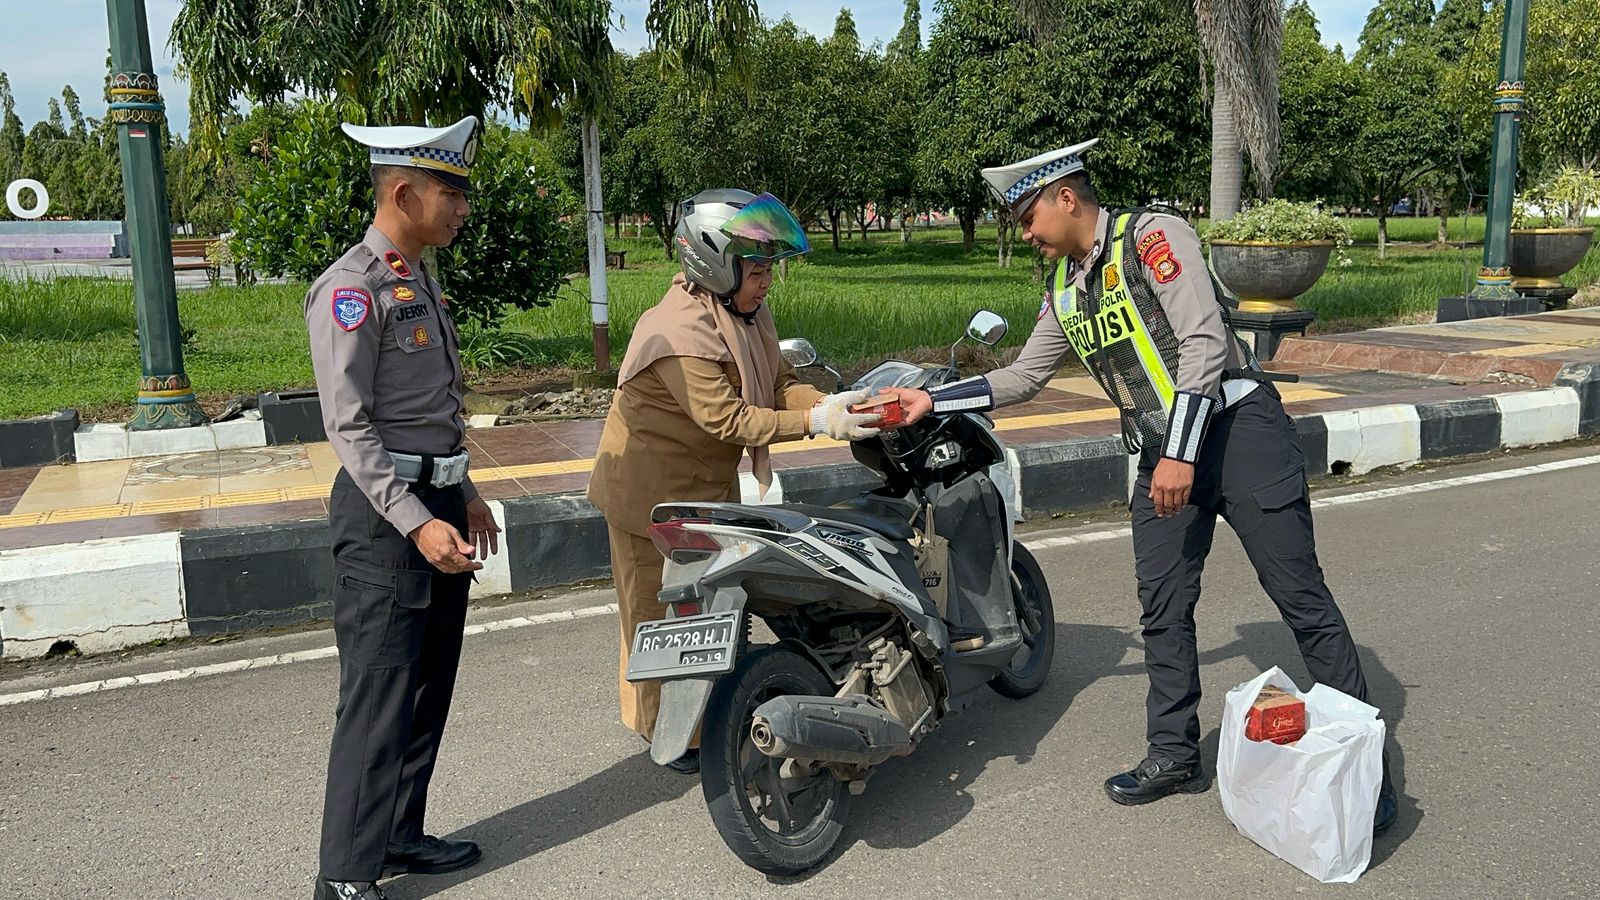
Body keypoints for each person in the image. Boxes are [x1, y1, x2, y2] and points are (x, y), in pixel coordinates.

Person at [888, 140, 1398, 832]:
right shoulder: (1065, 288)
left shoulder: (1154, 237)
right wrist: (936, 401)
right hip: (1164, 454)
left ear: (1066, 197)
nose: (1027, 234)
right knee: (1162, 606)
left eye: (1029, 217)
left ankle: (1364, 764)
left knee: (1298, 593)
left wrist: (1181, 455)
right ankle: (1173, 754)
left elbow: (1204, 343)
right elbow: (1025, 376)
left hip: (1238, 432)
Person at [587, 189, 882, 774]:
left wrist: (829, 403)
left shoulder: (745, 313)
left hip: (703, 490)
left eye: (771, 265)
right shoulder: (675, 330)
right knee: (657, 619)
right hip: (649, 498)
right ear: (715, 262)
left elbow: (776, 386)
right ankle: (669, 736)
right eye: (756, 266)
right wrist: (815, 422)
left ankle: (710, 711)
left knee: (711, 611)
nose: (767, 278)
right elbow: (726, 418)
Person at [305, 115, 502, 900]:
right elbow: (349, 427)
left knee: (427, 685)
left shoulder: (414, 276)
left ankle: (398, 835)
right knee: (379, 696)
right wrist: (418, 521)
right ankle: (345, 879)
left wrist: (466, 493)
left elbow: (430, 410)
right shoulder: (352, 289)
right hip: (385, 516)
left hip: (436, 498)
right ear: (403, 191)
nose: (461, 208)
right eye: (451, 193)